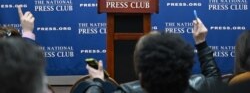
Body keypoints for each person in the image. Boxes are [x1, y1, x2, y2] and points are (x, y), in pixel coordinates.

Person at [78, 17, 222, 93]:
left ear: (140, 71)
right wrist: (201, 42)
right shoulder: (200, 86)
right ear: (184, 65)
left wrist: (97, 81)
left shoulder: (126, 91)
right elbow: (214, 79)